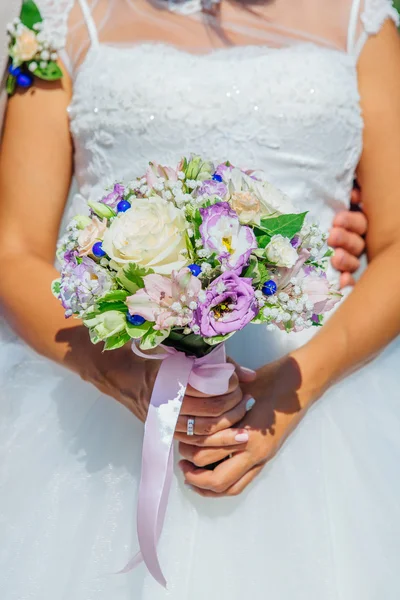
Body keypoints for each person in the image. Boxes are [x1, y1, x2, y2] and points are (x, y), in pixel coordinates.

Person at [0, 0, 399, 598]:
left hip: (312, 389)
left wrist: (293, 391)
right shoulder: (55, 19)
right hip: (104, 385)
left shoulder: (365, 20)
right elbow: (14, 249)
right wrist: (129, 378)